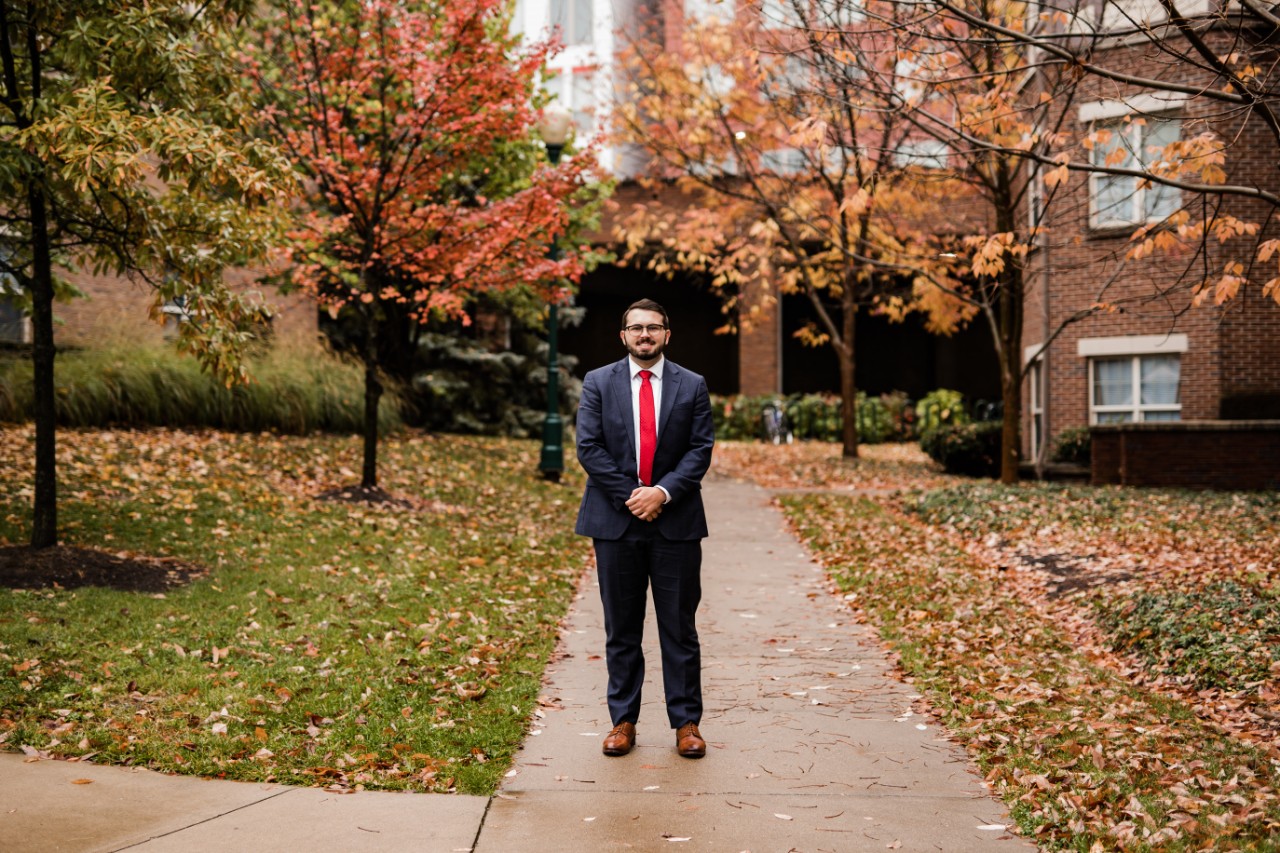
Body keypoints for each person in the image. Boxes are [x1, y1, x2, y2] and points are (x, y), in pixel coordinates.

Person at [574, 298, 715, 759]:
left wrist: (662, 493)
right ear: (624, 336)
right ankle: (623, 721)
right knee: (622, 629)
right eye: (636, 328)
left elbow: (700, 449)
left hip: (676, 523)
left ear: (667, 335)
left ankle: (686, 724)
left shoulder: (692, 385)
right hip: (616, 523)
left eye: (653, 328)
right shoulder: (598, 382)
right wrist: (635, 494)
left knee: (679, 628)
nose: (645, 335)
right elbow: (589, 448)